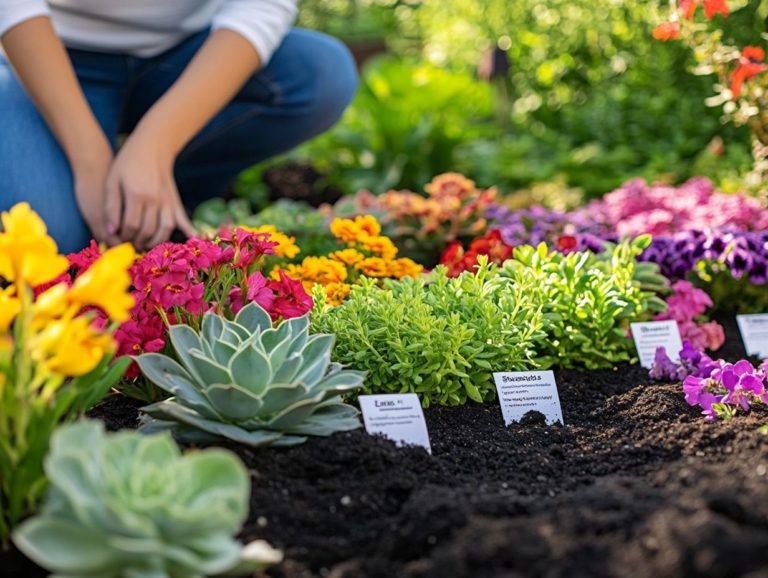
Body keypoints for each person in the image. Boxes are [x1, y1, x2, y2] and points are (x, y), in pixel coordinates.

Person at [0, 1, 358, 253]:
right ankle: (129, 191)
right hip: (45, 57)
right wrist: (91, 162)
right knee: (51, 238)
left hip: (186, 54)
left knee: (320, 75)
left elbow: (262, 6)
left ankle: (157, 191)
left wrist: (154, 146)